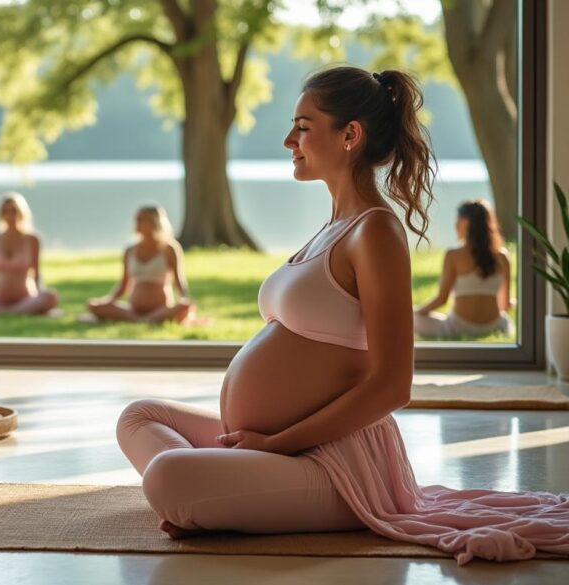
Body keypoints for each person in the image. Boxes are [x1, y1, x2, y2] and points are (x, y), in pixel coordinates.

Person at [116, 66, 569, 563]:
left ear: (350, 135)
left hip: (336, 466)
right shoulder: (333, 225)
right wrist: (261, 444)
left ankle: (217, 493)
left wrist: (276, 444)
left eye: (304, 126)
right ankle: (222, 492)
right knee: (139, 416)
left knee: (167, 477)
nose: (290, 139)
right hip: (272, 446)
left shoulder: (374, 232)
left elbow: (394, 385)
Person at [414, 200, 513, 338]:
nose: (455, 225)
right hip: (495, 326)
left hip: (459, 327)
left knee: (413, 318)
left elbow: (442, 299)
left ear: (466, 222)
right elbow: (505, 305)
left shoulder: (453, 255)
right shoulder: (503, 257)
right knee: (506, 320)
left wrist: (416, 312)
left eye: (458, 220)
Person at [86, 206, 193, 323]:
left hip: (161, 308)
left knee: (185, 308)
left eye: (141, 219)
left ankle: (141, 319)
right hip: (133, 309)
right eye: (136, 219)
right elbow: (123, 286)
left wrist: (184, 299)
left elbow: (179, 281)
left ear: (154, 222)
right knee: (93, 305)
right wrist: (107, 301)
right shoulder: (130, 250)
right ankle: (145, 320)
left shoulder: (169, 249)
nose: (136, 223)